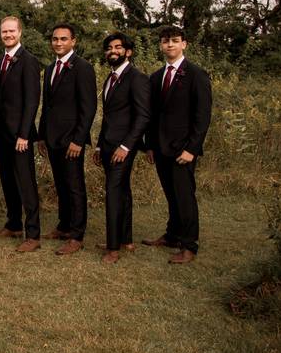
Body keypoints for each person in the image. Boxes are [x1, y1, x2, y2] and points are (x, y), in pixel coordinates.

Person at [143, 26, 212, 265]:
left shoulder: (197, 75)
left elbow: (202, 117)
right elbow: (152, 115)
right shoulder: (155, 77)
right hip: (161, 147)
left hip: (184, 149)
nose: (169, 45)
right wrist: (149, 145)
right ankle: (172, 235)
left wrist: (192, 149)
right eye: (165, 41)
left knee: (184, 197)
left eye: (174, 41)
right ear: (161, 45)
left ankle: (189, 246)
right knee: (170, 195)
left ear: (184, 44)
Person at [91, 32, 151, 264]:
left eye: (118, 47)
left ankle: (113, 248)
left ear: (128, 51)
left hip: (123, 147)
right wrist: (98, 147)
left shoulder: (137, 78)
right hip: (107, 145)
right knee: (123, 191)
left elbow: (143, 117)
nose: (112, 51)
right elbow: (108, 117)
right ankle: (126, 239)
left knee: (114, 192)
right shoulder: (110, 78)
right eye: (109, 47)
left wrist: (126, 146)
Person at [38, 24, 97, 255]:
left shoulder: (83, 68)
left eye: (63, 39)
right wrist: (42, 135)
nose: (58, 43)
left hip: (72, 139)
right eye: (55, 39)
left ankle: (76, 234)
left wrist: (79, 140)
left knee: (74, 186)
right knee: (60, 184)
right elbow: (47, 105)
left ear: (74, 41)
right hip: (52, 138)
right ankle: (63, 226)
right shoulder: (51, 67)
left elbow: (88, 108)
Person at [0, 16, 43, 252]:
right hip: (2, 134)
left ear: (20, 33)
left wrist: (24, 134)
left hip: (20, 135)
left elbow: (32, 101)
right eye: (4, 32)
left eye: (12, 31)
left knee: (25, 183)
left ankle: (33, 233)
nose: (8, 35)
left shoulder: (28, 61)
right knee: (8, 180)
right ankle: (13, 224)